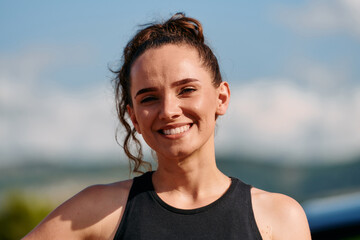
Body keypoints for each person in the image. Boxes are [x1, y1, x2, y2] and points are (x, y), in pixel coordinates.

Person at [23, 13, 311, 240]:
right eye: (149, 97)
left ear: (220, 98)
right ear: (134, 117)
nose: (169, 111)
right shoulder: (97, 210)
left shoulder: (279, 217)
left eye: (186, 90)